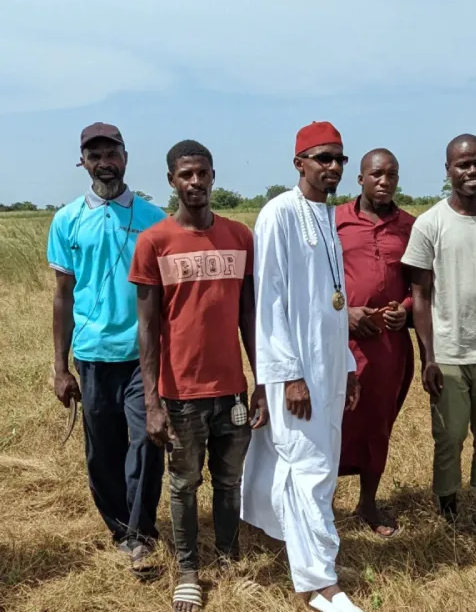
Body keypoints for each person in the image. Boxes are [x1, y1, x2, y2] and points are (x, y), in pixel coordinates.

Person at [129, 140, 265, 612]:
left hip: (232, 389)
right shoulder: (155, 242)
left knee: (230, 481)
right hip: (181, 393)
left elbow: (250, 316)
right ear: (172, 180)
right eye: (185, 175)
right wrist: (151, 402)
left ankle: (228, 558)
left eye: (202, 173)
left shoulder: (239, 237)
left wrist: (261, 379)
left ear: (213, 176)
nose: (195, 183)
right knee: (185, 484)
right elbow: (147, 330)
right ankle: (188, 571)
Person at [241, 121, 362, 612]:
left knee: (320, 469)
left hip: (330, 367)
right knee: (308, 469)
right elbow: (268, 301)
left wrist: (349, 363)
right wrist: (287, 373)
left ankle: (314, 566)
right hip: (297, 373)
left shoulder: (327, 216)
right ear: (300, 164)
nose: (333, 167)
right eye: (323, 158)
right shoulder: (278, 214)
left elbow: (334, 303)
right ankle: (319, 584)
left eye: (339, 159)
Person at [47, 122, 166, 574]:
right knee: (102, 451)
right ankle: (120, 527)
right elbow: (63, 293)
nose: (104, 162)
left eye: (110, 152)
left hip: (143, 356)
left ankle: (140, 533)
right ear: (83, 162)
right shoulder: (67, 220)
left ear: (126, 156)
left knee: (147, 442)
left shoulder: (155, 219)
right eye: (94, 155)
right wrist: (60, 368)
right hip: (92, 355)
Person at [401, 133, 476, 533]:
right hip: (449, 356)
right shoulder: (430, 224)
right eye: (463, 165)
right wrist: (429, 357)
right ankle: (449, 512)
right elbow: (419, 296)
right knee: (450, 438)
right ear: (448, 170)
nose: (472, 171)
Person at [335, 148, 416, 538]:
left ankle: (368, 502)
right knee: (334, 420)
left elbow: (421, 284)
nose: (384, 181)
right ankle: (322, 502)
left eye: (392, 175)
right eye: (377, 174)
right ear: (361, 179)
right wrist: (344, 314)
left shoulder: (410, 226)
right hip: (341, 341)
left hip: (388, 345)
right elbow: (317, 281)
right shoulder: (336, 222)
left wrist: (406, 309)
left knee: (377, 423)